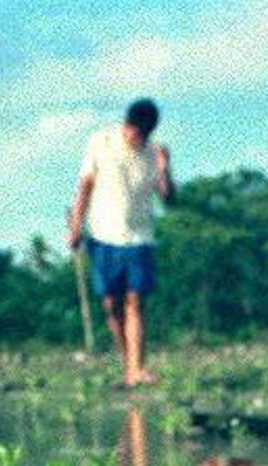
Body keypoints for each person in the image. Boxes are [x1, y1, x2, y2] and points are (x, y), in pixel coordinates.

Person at [69, 98, 175, 386]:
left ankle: (137, 368)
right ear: (126, 123)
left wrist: (166, 167)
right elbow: (85, 186)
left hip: (140, 237)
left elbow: (167, 198)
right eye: (130, 129)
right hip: (102, 234)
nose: (133, 137)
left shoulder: (155, 154)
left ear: (149, 132)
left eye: (140, 133)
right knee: (111, 304)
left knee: (135, 301)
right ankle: (129, 362)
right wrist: (76, 226)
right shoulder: (100, 141)